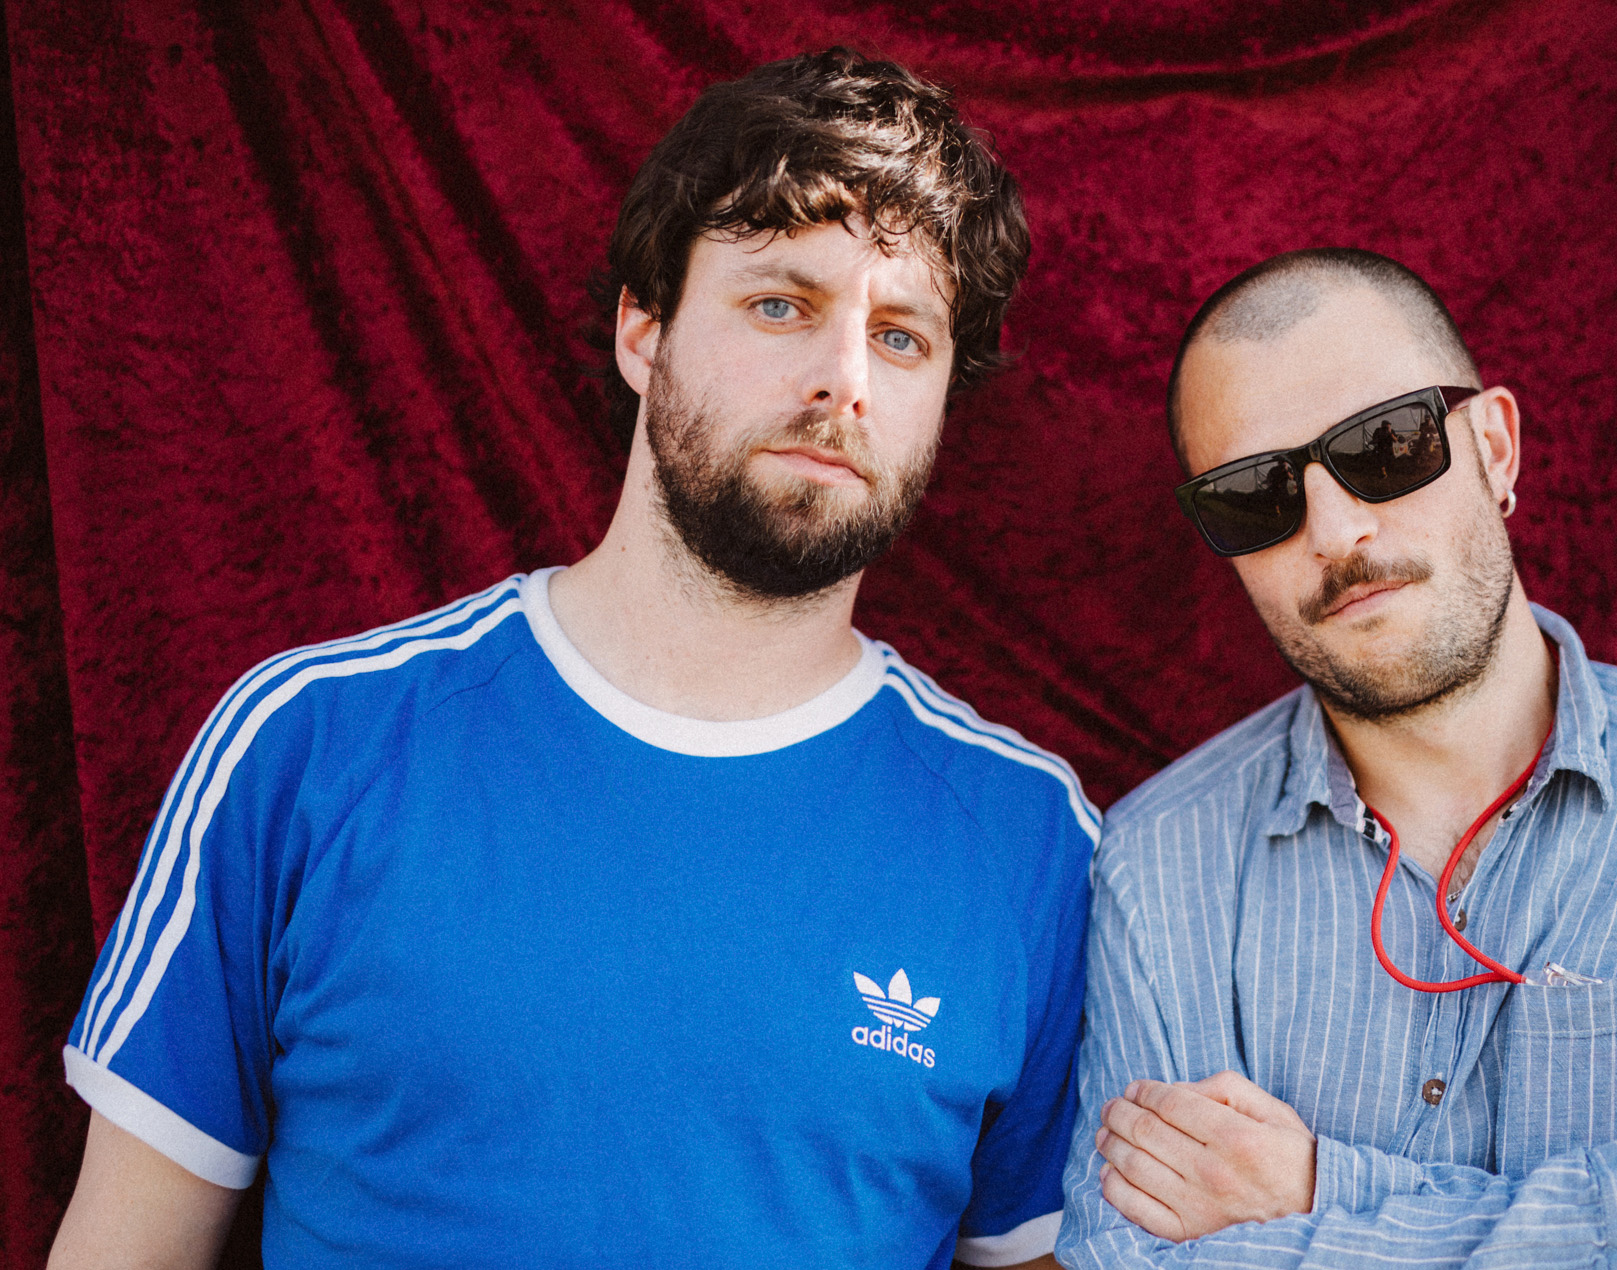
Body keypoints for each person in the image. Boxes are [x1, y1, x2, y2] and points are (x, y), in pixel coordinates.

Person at [51, 49, 1090, 1270]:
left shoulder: (1025, 838)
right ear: (641, 332)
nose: (843, 381)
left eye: (903, 337)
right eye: (779, 304)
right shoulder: (308, 743)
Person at [1055, 248, 1617, 1267]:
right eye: (1253, 496)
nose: (1336, 529)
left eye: (1384, 446)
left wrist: (1321, 1193)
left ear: (1493, 447)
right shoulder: (1157, 864)